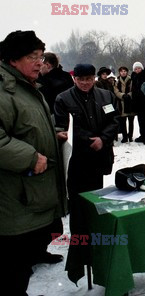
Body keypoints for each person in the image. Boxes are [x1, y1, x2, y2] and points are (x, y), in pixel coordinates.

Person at [0, 30, 68, 294]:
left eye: (41, 56)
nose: (40, 62)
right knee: (12, 264)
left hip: (29, 195)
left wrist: (53, 135)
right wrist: (29, 157)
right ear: (13, 59)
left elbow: (26, 128)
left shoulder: (26, 87)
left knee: (20, 264)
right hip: (13, 198)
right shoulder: (5, 90)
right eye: (33, 57)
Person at [54, 63, 119, 282]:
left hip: (99, 160)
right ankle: (80, 252)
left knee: (95, 205)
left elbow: (114, 121)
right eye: (81, 79)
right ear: (74, 79)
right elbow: (65, 129)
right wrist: (88, 141)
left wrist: (103, 139)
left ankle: (97, 244)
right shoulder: (63, 99)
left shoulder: (105, 96)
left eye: (89, 79)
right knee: (80, 208)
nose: (85, 83)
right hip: (77, 162)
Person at [114, 66, 136, 143]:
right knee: (123, 122)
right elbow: (116, 91)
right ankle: (124, 137)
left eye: (125, 71)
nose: (123, 72)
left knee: (131, 121)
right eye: (122, 71)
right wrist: (122, 95)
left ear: (127, 72)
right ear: (119, 72)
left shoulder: (131, 80)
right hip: (121, 103)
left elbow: (134, 89)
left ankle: (130, 136)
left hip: (130, 103)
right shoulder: (117, 82)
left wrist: (129, 95)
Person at [131, 61, 145, 144]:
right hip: (137, 102)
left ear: (142, 68)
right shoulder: (134, 77)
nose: (137, 70)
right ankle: (142, 135)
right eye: (135, 69)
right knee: (140, 120)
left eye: (139, 68)